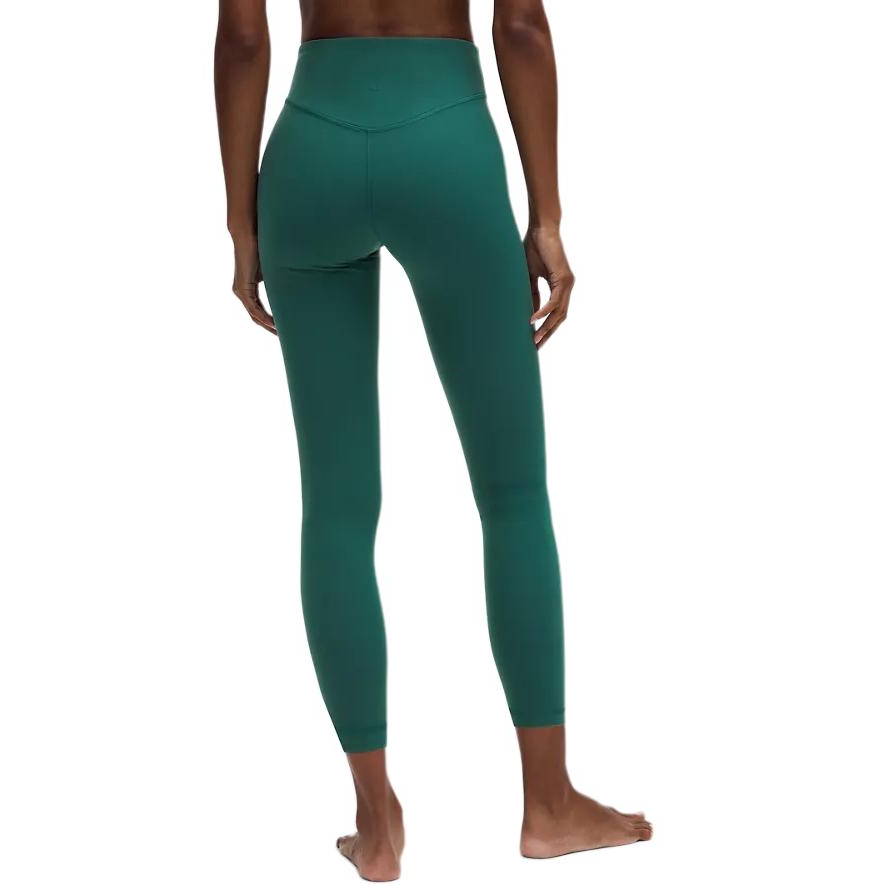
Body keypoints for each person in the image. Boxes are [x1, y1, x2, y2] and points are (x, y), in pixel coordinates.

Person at [214, 1, 652, 879]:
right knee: (512, 495)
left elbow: (244, 35)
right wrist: (547, 215)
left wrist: (241, 223)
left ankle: (375, 823)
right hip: (446, 144)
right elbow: (520, 26)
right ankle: (549, 804)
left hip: (310, 154)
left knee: (336, 509)